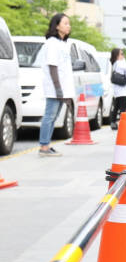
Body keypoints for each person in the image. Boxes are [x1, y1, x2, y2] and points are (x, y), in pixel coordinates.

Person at [38, 13, 74, 157]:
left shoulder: (62, 44)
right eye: (65, 23)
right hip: (54, 88)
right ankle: (44, 147)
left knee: (53, 117)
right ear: (57, 25)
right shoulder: (52, 43)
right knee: (49, 116)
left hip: (61, 89)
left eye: (69, 23)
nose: (68, 26)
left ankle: (47, 145)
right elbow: (52, 67)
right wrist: (58, 89)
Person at [109, 48, 126, 130]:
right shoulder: (120, 63)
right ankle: (122, 124)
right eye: (121, 54)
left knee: (117, 106)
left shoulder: (116, 63)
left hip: (118, 91)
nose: (123, 55)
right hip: (123, 91)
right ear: (117, 55)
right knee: (123, 108)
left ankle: (113, 122)